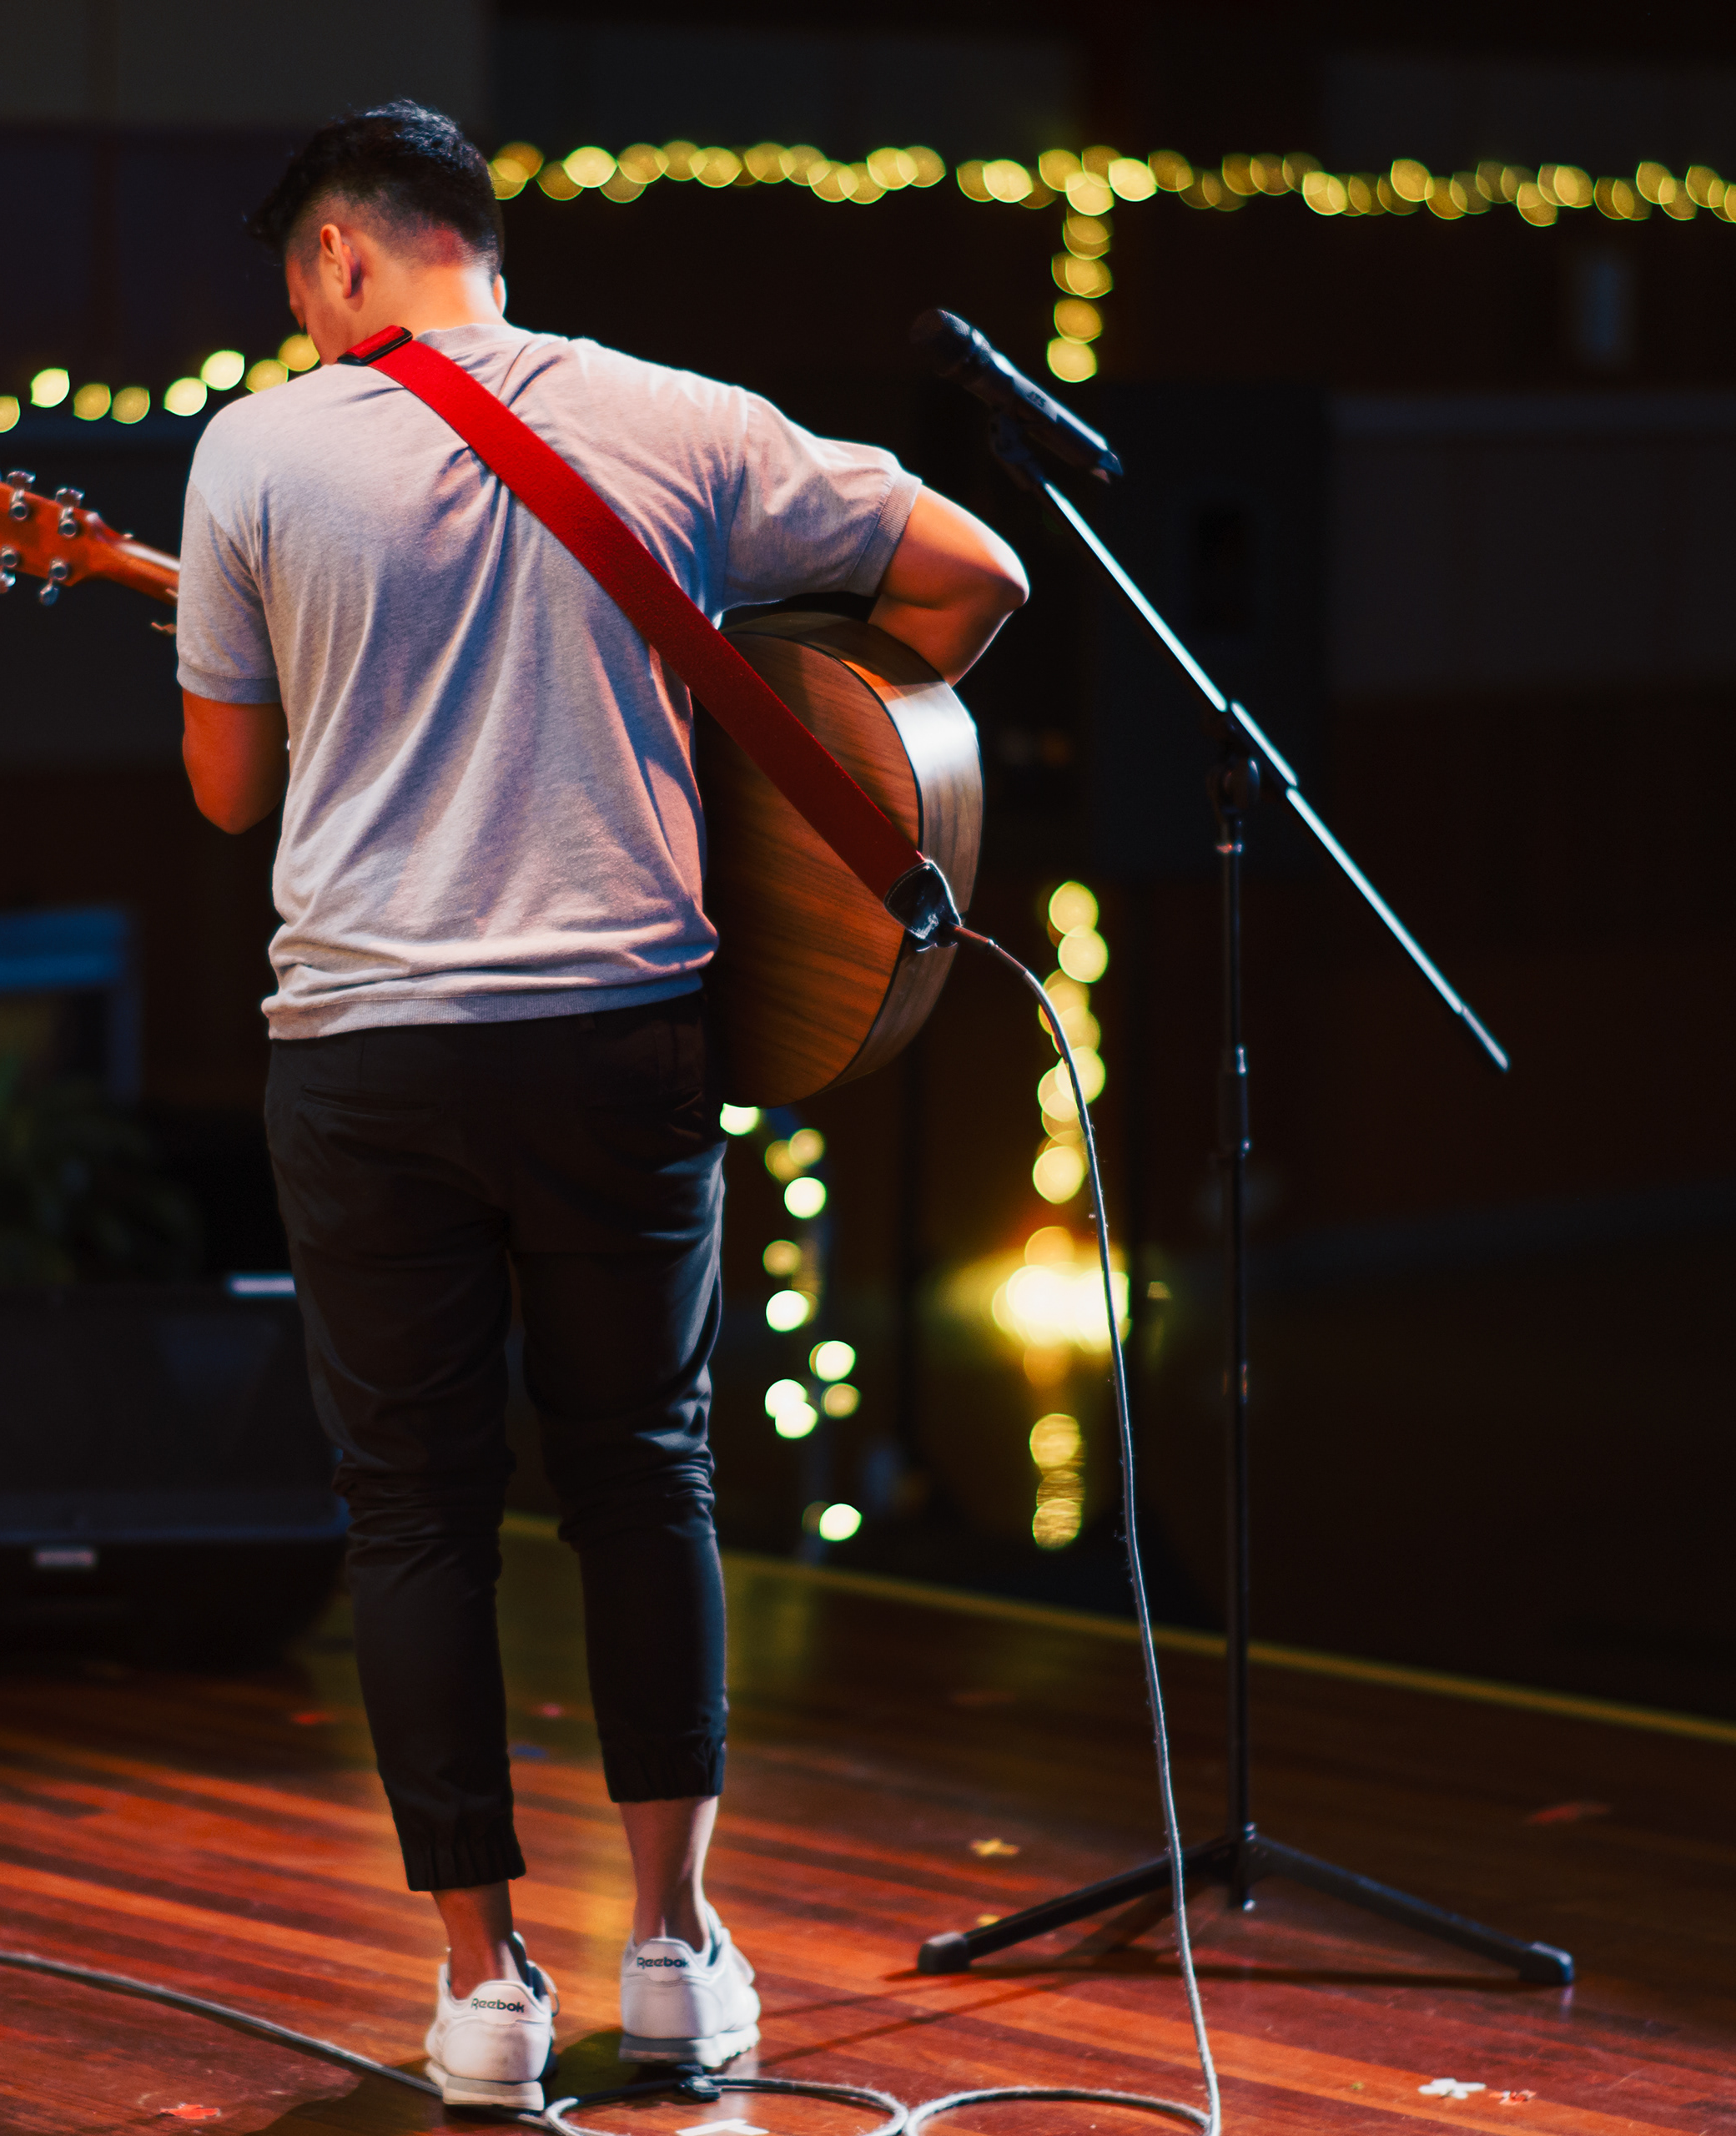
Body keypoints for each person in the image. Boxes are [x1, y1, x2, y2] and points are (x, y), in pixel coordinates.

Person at [171, 101, 1025, 2108]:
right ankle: (675, 1947)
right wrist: (815, 744)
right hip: (619, 1037)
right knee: (647, 1476)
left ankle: (481, 1985)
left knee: (415, 1511)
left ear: (338, 257)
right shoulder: (678, 418)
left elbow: (229, 793)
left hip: (366, 1053)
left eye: (300, 290)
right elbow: (975, 577)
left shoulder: (255, 454)